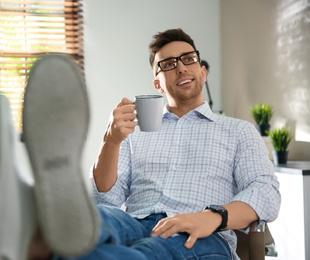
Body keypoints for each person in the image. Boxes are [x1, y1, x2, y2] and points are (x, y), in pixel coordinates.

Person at [87, 28, 281, 260]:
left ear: (202, 72)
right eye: (168, 64)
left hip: (204, 236)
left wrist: (212, 216)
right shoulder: (135, 132)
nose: (181, 67)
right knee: (88, 224)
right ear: (157, 85)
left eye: (188, 59)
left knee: (146, 253)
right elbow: (104, 201)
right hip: (135, 223)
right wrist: (110, 140)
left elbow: (266, 193)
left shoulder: (238, 131)